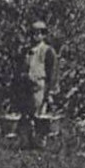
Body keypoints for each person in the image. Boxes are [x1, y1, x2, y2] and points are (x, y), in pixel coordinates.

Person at [15, 19, 58, 149]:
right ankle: (27, 143)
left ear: (44, 35)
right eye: (33, 33)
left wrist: (50, 92)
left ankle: (40, 144)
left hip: (40, 86)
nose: (36, 36)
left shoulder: (48, 51)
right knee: (26, 115)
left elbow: (53, 72)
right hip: (27, 86)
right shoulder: (26, 51)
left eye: (39, 33)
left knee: (40, 115)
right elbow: (21, 68)